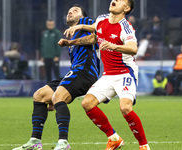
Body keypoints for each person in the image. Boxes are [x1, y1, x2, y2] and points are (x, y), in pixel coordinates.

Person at [60, 0, 150, 150]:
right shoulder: (102, 18)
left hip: (125, 72)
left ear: (126, 8)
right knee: (87, 103)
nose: (114, 0)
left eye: (120, 0)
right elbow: (95, 36)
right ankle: (114, 139)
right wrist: (73, 39)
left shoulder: (125, 27)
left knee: (125, 108)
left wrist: (114, 46)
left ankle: (144, 146)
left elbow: (133, 48)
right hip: (108, 75)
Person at [13, 4, 99, 150]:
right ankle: (35, 142)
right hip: (75, 71)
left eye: (75, 10)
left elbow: (96, 37)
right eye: (69, 10)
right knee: (39, 95)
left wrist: (71, 42)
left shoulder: (86, 22)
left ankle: (63, 143)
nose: (70, 11)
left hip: (85, 72)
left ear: (82, 16)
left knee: (58, 97)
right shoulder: (71, 33)